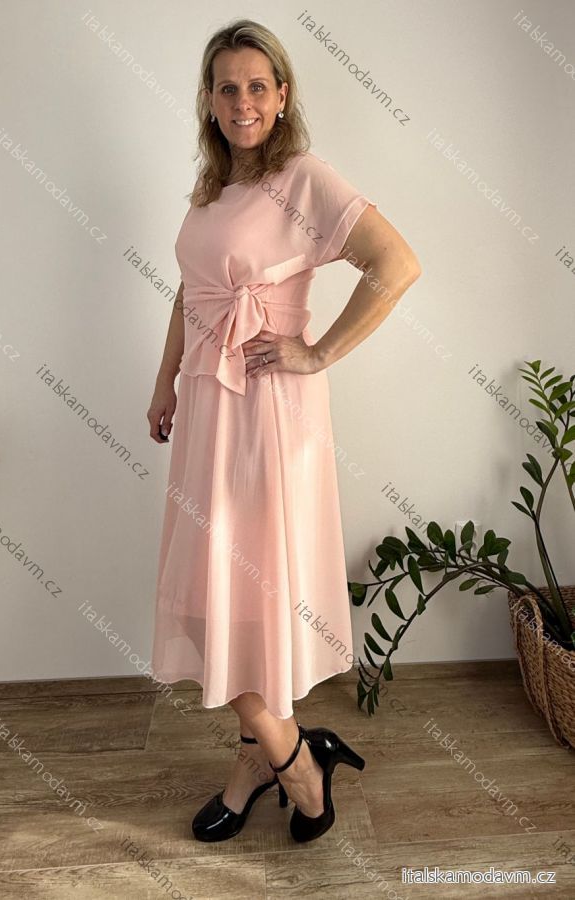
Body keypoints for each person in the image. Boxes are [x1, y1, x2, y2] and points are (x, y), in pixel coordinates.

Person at [147, 18, 421, 844]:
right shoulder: (209, 192)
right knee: (211, 600)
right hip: (207, 407)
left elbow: (396, 263)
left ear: (281, 95)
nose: (242, 102)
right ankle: (282, 752)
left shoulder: (302, 177)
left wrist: (318, 350)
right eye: (227, 87)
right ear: (207, 99)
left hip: (267, 412)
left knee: (250, 588)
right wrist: (164, 381)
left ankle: (289, 761)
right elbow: (190, 293)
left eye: (257, 86)